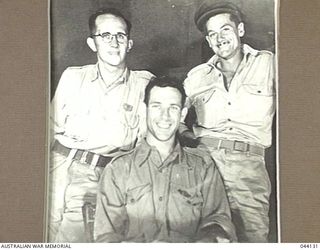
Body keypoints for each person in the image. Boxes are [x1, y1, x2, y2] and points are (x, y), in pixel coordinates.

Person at [48, 8, 154, 242]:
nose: (114, 42)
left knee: (76, 238)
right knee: (36, 232)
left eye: (120, 36)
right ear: (92, 43)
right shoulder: (73, 78)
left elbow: (146, 146)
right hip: (59, 169)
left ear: (129, 43)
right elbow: (47, 130)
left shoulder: (144, 85)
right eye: (105, 35)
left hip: (103, 176)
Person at [93, 76, 236, 243]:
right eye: (156, 106)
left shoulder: (202, 166)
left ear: (182, 113)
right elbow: (106, 237)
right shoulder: (118, 169)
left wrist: (208, 239)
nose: (164, 116)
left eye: (173, 108)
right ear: (144, 110)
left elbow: (219, 221)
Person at [181, 0, 276, 242]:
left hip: (249, 169)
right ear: (208, 41)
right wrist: (193, 141)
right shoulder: (196, 77)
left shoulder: (269, 64)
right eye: (212, 34)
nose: (219, 38)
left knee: (252, 238)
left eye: (225, 29)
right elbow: (174, 119)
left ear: (240, 30)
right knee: (199, 237)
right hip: (204, 166)